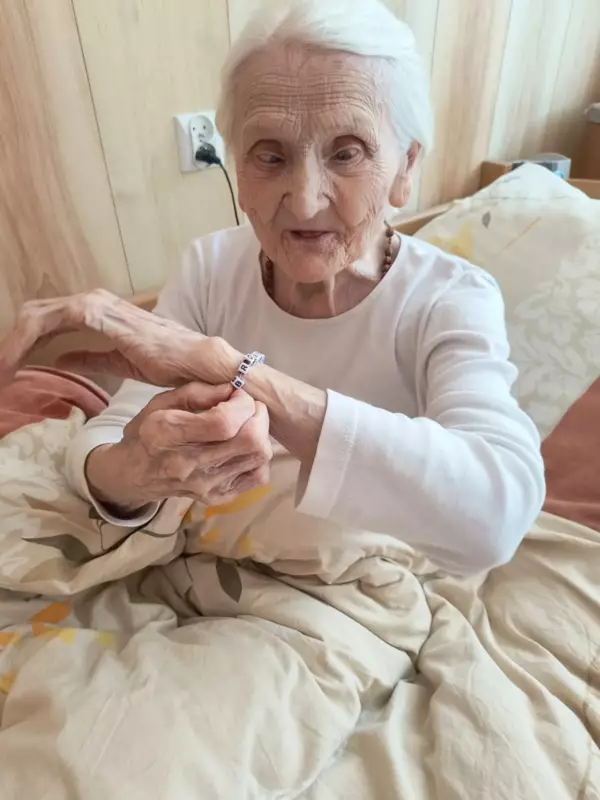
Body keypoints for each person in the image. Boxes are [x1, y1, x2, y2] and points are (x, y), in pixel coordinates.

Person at [0, 0, 544, 575]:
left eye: (347, 152)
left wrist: (229, 369)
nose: (304, 201)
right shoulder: (211, 267)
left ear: (406, 168)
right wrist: (136, 474)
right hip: (215, 567)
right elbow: (112, 438)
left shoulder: (451, 296)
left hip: (359, 580)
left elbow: (498, 515)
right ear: (238, 166)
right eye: (270, 156)